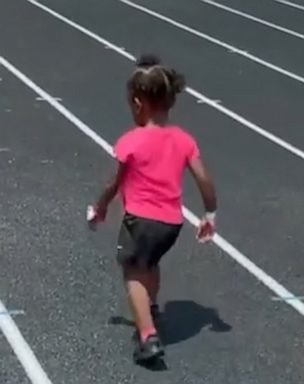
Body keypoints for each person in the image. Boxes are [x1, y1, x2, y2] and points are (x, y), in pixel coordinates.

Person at [87, 54, 217, 362]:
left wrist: (101, 207)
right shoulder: (184, 140)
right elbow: (203, 178)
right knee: (151, 262)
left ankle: (147, 337)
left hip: (140, 220)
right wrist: (209, 213)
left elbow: (113, 183)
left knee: (132, 272)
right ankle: (152, 306)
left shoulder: (131, 141)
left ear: (137, 102)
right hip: (170, 223)